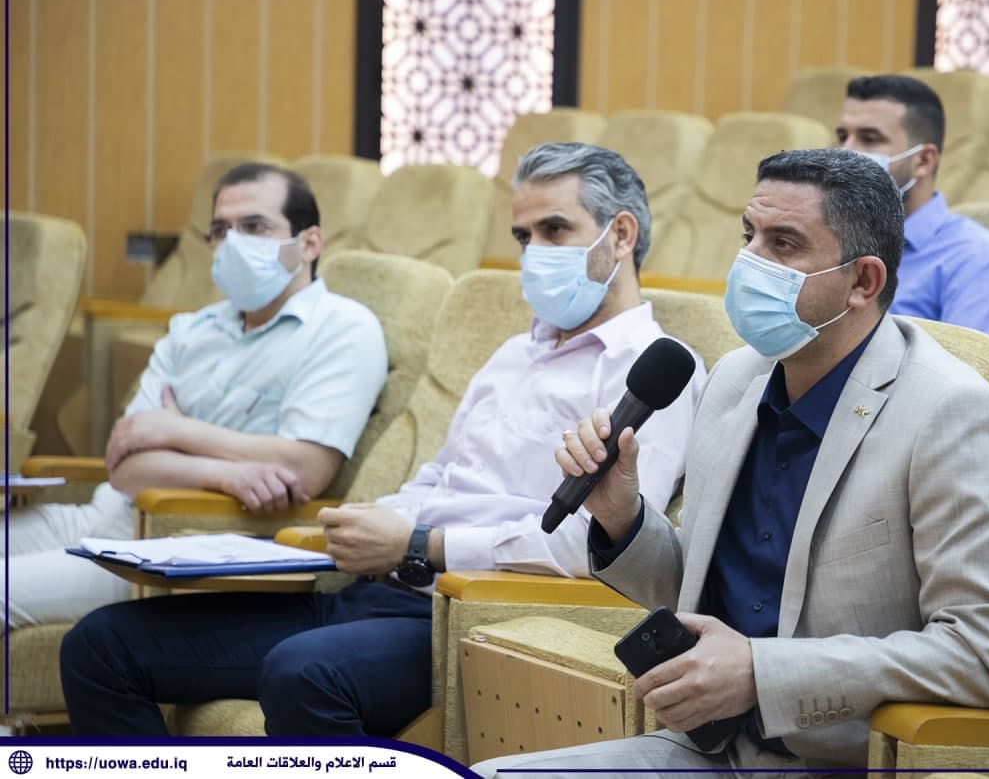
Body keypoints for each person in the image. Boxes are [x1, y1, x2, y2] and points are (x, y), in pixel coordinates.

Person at [60, 143, 706, 738]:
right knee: (101, 645)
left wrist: (421, 544)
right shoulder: (513, 353)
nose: (533, 252)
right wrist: (368, 522)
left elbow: (598, 548)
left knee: (303, 673)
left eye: (554, 230)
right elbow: (441, 476)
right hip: (375, 588)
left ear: (621, 234)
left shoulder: (651, 372)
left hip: (470, 615)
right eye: (522, 235)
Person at [475, 148, 989, 776]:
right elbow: (700, 593)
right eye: (748, 235)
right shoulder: (736, 381)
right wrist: (622, 518)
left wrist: (763, 673)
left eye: (783, 244)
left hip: (856, 764)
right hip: (719, 753)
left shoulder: (954, 415)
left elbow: (987, 655)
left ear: (863, 282)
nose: (749, 261)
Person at [2, 163, 387, 628]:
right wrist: (227, 473)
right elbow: (125, 465)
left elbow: (304, 467)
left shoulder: (343, 328)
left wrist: (173, 430)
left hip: (179, 544)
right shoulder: (193, 329)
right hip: (99, 515)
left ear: (308, 244)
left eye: (255, 227)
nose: (234, 243)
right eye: (221, 230)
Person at [838, 74, 989, 345]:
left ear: (923, 160)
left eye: (870, 138)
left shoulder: (977, 258)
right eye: (843, 137)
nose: (846, 153)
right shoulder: (831, 238)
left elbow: (970, 367)